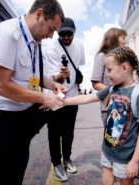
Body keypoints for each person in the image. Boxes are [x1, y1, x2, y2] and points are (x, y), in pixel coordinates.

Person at [0, 1, 66, 185]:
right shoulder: (7, 35)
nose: (51, 36)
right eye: (51, 29)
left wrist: (51, 85)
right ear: (39, 14)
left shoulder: (34, 38)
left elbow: (30, 73)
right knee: (1, 168)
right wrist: (43, 97)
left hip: (23, 113)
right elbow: (1, 86)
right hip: (3, 115)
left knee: (18, 165)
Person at [64, 46, 139, 185]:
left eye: (109, 70)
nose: (107, 74)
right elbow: (87, 98)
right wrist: (61, 102)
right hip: (107, 150)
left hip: (127, 156)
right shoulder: (112, 89)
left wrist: (135, 161)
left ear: (124, 68)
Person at [43, 17, 85, 181]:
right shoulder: (52, 48)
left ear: (74, 31)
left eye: (69, 34)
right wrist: (62, 75)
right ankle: (57, 164)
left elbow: (78, 65)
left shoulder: (79, 45)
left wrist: (76, 82)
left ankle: (66, 158)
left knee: (69, 131)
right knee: (54, 133)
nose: (66, 37)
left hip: (72, 96)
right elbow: (54, 79)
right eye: (62, 34)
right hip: (56, 96)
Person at [91, 28, 127, 126]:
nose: (125, 41)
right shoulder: (101, 57)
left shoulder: (123, 58)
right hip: (110, 106)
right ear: (114, 39)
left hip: (125, 105)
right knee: (112, 138)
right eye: (123, 38)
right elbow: (96, 84)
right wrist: (116, 92)